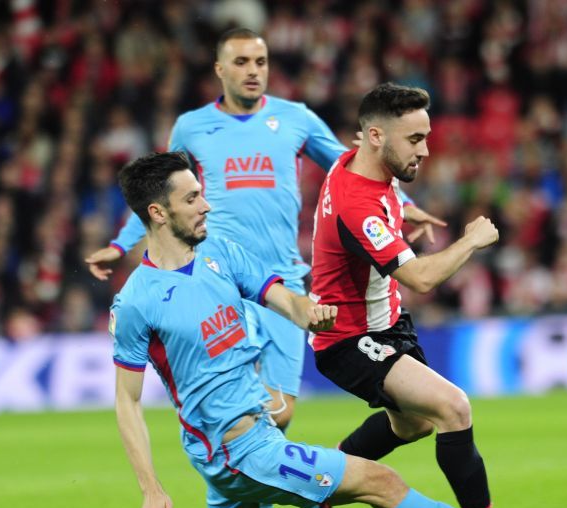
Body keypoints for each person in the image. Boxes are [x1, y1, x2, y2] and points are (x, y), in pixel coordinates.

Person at [52, 152, 567, 508]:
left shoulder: (220, 255)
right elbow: (126, 401)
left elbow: (279, 296)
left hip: (244, 439)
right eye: (192, 197)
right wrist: (151, 487)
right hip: (238, 450)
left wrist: (309, 311)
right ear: (158, 213)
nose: (206, 206)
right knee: (381, 481)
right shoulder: (138, 301)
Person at [84, 28, 438, 432]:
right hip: (221, 276)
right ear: (219, 69)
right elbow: (159, 192)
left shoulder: (296, 119)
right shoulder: (192, 127)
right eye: (241, 62)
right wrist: (119, 244)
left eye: (261, 61)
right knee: (243, 402)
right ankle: (220, 440)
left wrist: (404, 207)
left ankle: (247, 471)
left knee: (280, 414)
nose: (253, 71)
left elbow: (355, 166)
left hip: (282, 279)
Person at [310, 83, 506, 508]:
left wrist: (404, 211)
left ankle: (327, 475)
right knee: (453, 408)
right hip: (347, 337)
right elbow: (418, 277)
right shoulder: (359, 203)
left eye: (426, 135)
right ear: (376, 136)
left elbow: (382, 198)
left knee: (411, 426)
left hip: (387, 325)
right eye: (415, 139)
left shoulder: (360, 160)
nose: (426, 149)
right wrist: (472, 240)